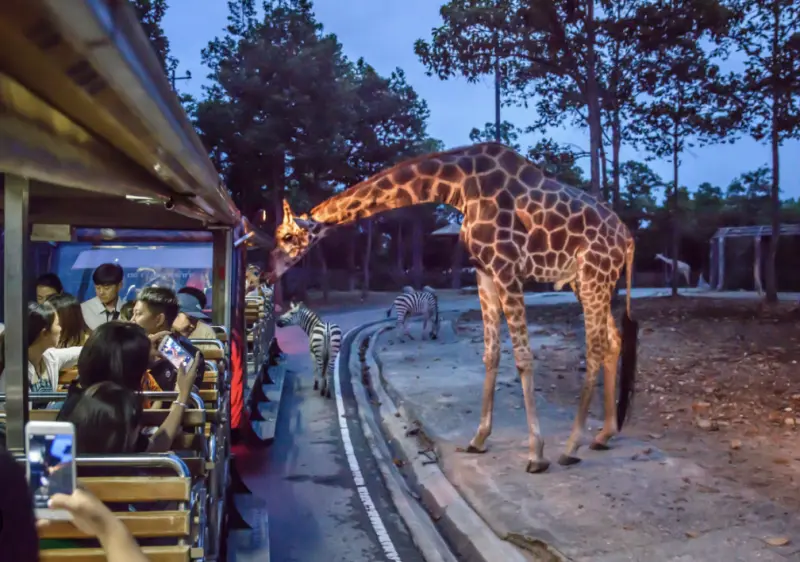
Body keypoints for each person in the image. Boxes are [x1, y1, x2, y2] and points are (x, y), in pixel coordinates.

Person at [0, 302, 82, 406]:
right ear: (44, 333)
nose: (60, 329)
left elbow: (81, 351)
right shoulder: (14, 373)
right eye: (57, 324)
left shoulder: (49, 357)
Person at [133, 287, 205, 391]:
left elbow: (184, 396)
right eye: (133, 314)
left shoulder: (186, 354)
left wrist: (167, 348)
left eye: (138, 314)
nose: (132, 320)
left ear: (159, 320)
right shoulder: (127, 347)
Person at [81, 263, 124, 330]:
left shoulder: (129, 310)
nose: (101, 292)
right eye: (97, 288)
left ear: (119, 285)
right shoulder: (83, 310)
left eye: (106, 288)